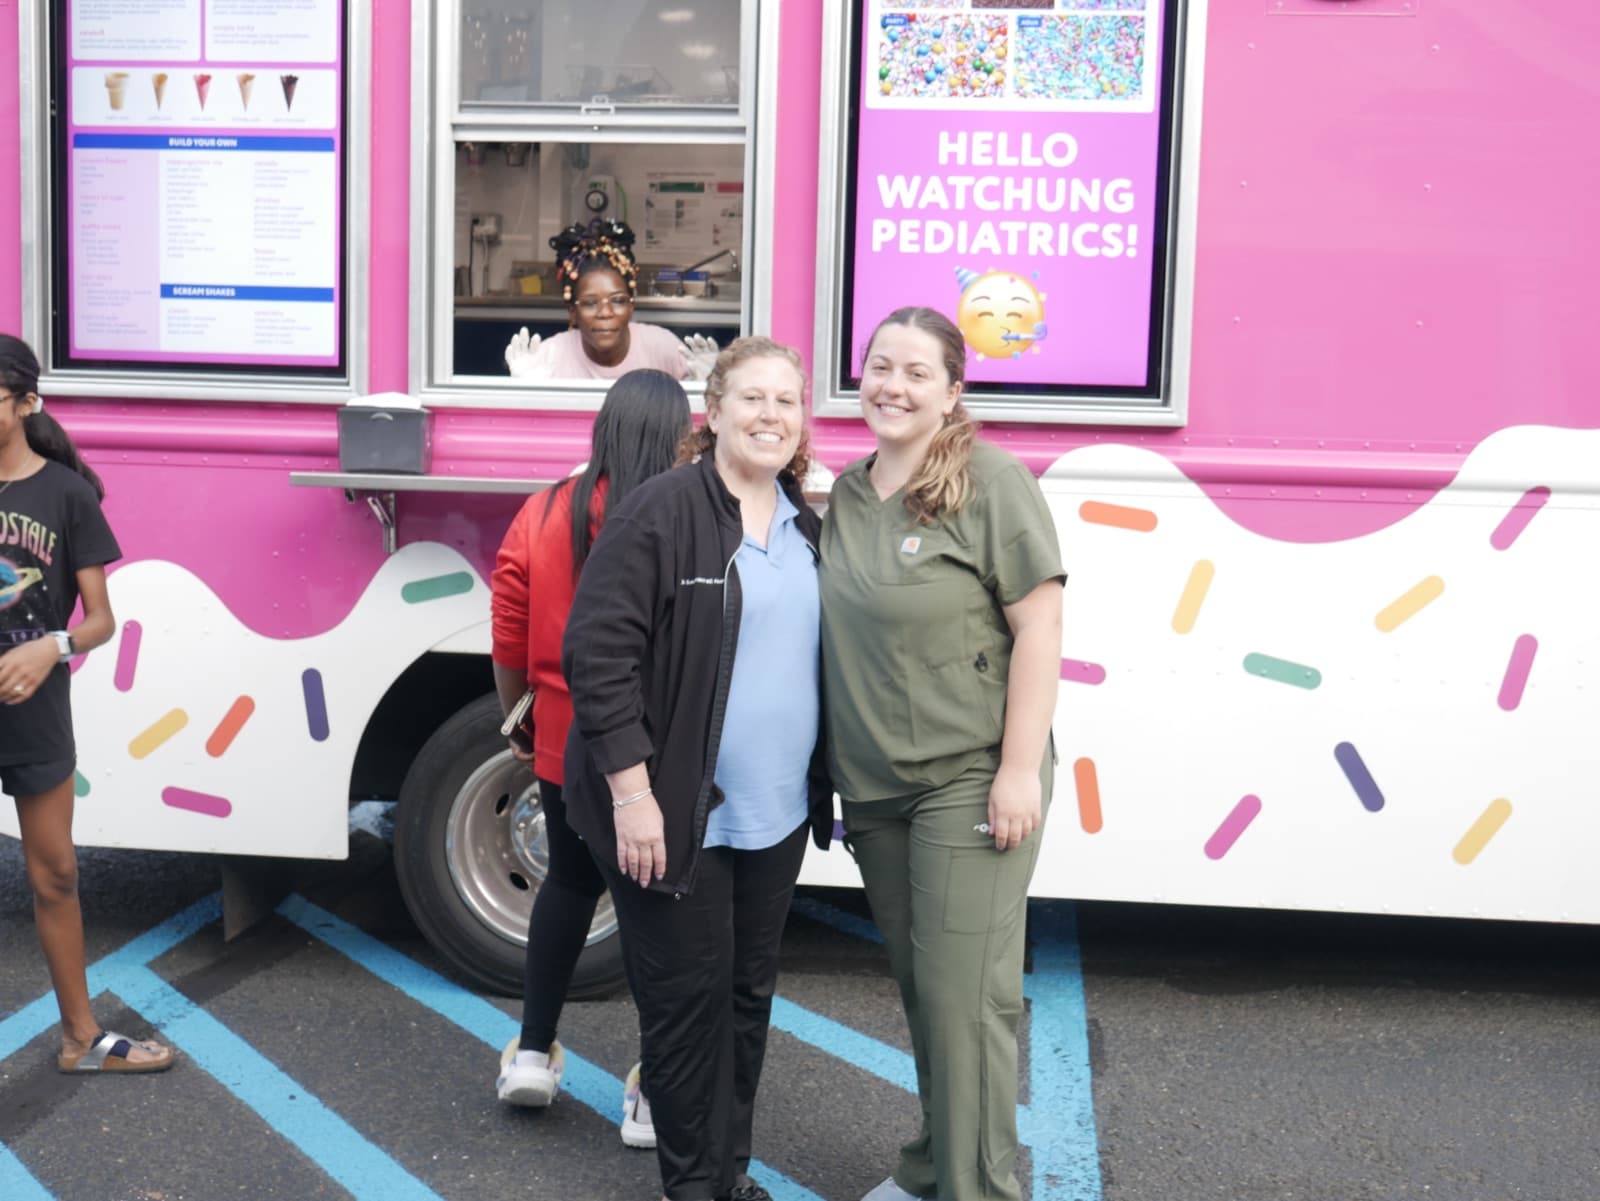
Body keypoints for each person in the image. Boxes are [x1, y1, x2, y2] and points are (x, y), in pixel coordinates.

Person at [562, 336, 833, 1201]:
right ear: (712, 412)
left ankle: (729, 1174)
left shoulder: (807, 526)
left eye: (786, 401)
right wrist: (633, 793)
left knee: (745, 999)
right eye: (751, 398)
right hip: (675, 814)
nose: (770, 415)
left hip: (775, 813)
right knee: (684, 1013)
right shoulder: (665, 510)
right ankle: (693, 1188)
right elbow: (597, 652)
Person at [819, 307, 1065, 1201]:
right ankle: (934, 1163)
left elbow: (1039, 625)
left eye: (917, 372)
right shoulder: (846, 493)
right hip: (876, 785)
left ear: (954, 391)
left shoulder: (992, 482)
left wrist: (1014, 770)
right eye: (881, 366)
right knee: (928, 989)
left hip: (969, 772)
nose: (893, 384)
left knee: (967, 1001)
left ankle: (979, 1188)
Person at [490, 368, 693, 1150]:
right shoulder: (683, 511)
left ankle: (533, 1052)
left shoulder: (545, 508)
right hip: (656, 746)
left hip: (563, 737)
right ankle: (649, 1092)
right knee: (653, 910)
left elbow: (509, 621)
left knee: (569, 886)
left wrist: (519, 712)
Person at [0, 333, 172, 1074]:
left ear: (26, 403)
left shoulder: (65, 495)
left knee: (56, 873)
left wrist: (51, 648)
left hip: (34, 705)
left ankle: (79, 1037)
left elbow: (100, 620)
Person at [504, 220, 719, 382]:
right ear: (572, 311)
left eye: (617, 301)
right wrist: (526, 393)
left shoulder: (663, 348)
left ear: (631, 305)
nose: (605, 312)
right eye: (589, 303)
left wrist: (707, 385)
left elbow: (694, 430)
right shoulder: (549, 357)